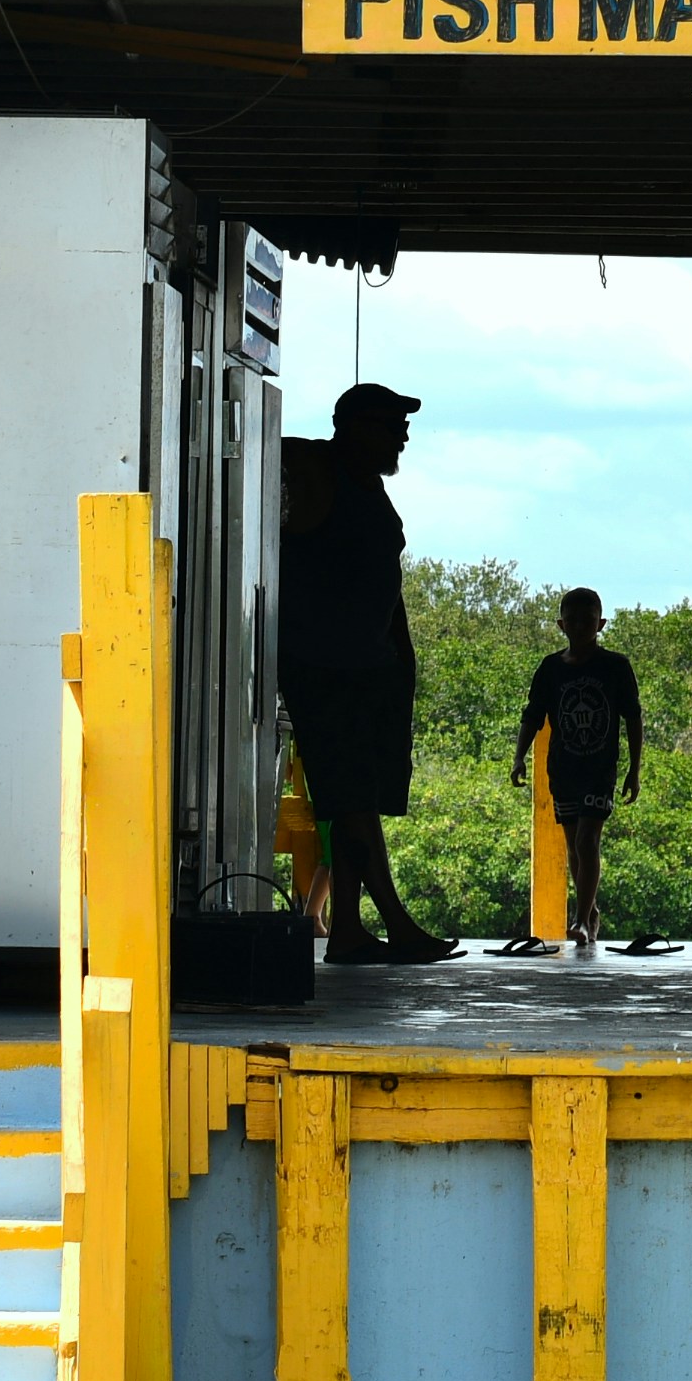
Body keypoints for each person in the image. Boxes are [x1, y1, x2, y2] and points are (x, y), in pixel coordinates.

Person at [276, 382, 460, 965]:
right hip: (326, 670)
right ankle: (398, 925)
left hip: (369, 670)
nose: (403, 434)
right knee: (352, 802)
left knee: (358, 801)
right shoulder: (314, 471)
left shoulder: (369, 489)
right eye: (390, 423)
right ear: (352, 426)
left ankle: (351, 929)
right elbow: (260, 451)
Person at [504, 588, 669, 956]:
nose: (581, 628)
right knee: (574, 848)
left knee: (587, 841)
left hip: (599, 770)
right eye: (573, 621)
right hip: (562, 770)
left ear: (601, 624)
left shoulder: (615, 667)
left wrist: (635, 770)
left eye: (588, 621)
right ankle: (589, 913)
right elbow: (532, 716)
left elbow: (634, 718)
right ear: (562, 624)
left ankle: (579, 920)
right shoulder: (550, 669)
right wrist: (519, 757)